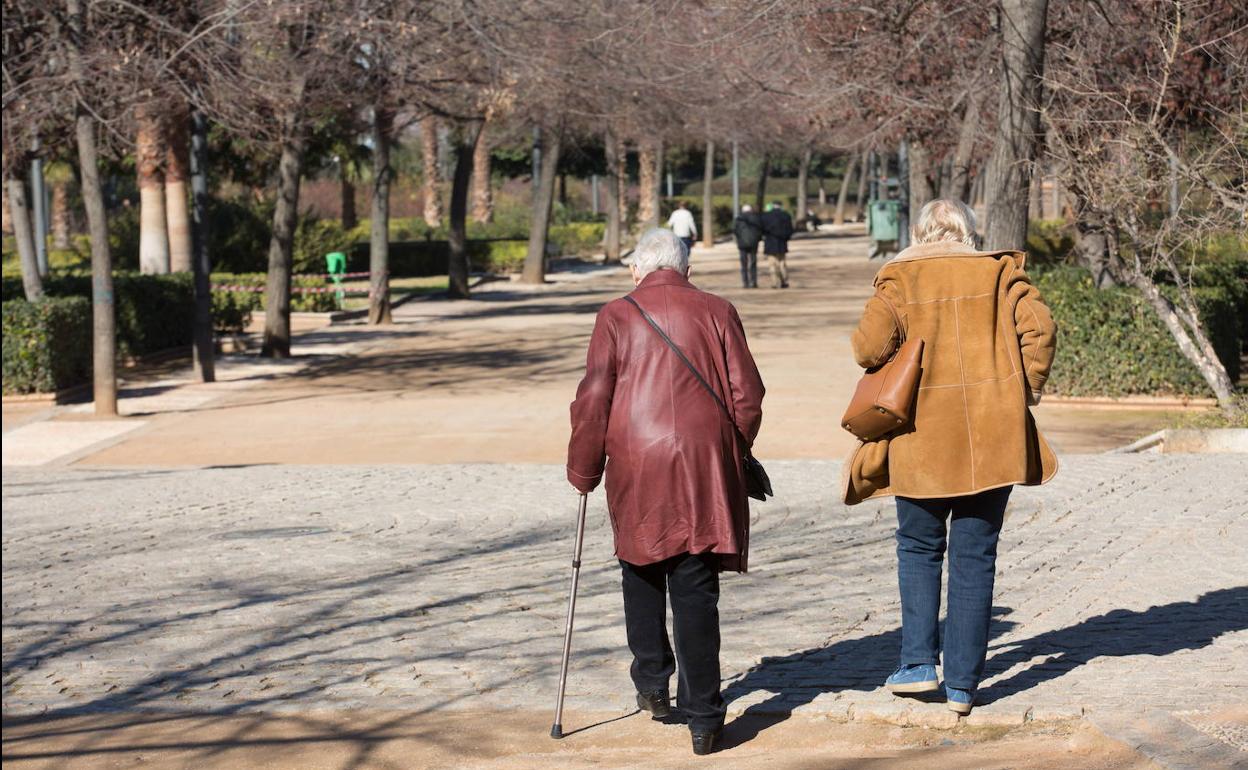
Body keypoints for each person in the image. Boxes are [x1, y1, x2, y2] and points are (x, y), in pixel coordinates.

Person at [842, 198, 1058, 716]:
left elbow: (867, 349)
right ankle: (962, 685)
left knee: (918, 548)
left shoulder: (899, 277)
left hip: (920, 437)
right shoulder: (1001, 272)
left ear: (919, 231)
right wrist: (1021, 390)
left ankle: (918, 663)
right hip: (993, 436)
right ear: (967, 231)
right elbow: (1041, 331)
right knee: (975, 557)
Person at [567, 228, 764, 755]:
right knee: (696, 584)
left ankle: (653, 684)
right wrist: (729, 447)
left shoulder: (616, 314)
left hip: (637, 459)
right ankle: (705, 717)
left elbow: (593, 400)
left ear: (637, 270)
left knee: (640, 565)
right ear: (686, 270)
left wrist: (584, 470)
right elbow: (748, 394)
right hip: (702, 462)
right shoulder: (718, 309)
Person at [760, 201, 794, 289]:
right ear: (780, 206)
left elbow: (762, 229)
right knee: (782, 263)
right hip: (782, 243)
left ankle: (774, 282)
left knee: (772, 264)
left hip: (770, 243)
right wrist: (786, 238)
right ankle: (784, 281)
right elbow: (790, 229)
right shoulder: (786, 215)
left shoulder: (766, 216)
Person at [732, 204, 763, 288]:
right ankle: (754, 282)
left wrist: (739, 239)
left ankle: (745, 282)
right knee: (753, 262)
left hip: (742, 244)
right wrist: (758, 239)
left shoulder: (738, 219)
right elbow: (760, 230)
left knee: (744, 263)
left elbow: (734, 230)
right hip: (753, 243)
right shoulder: (756, 218)